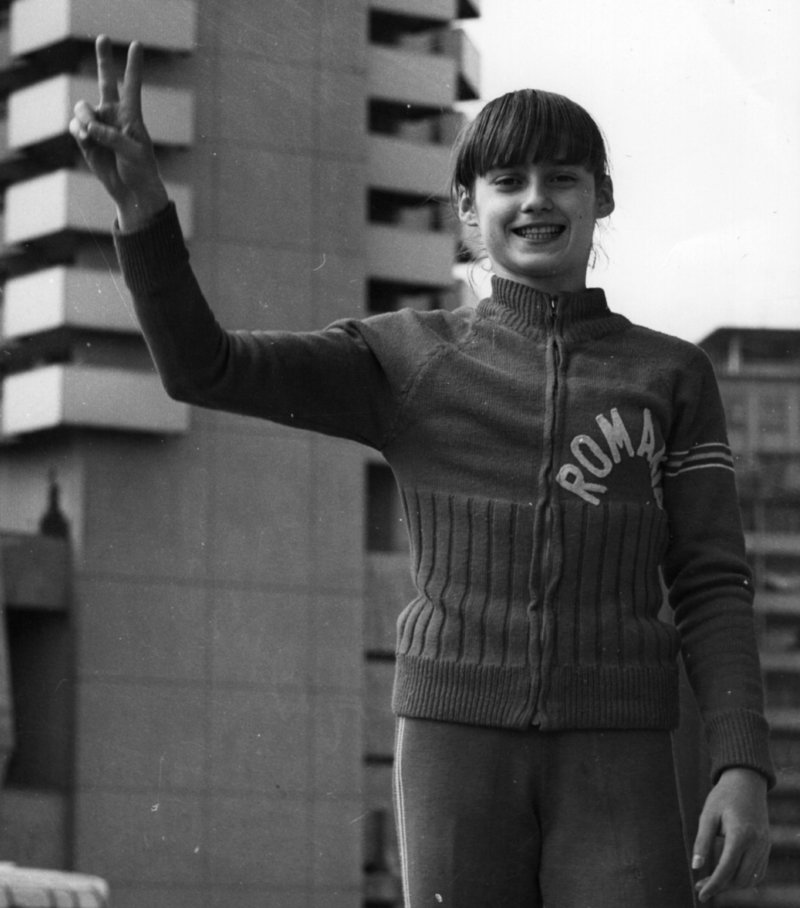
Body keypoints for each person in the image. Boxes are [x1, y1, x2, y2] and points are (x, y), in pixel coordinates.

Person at [71, 35, 774, 908]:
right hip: (455, 743)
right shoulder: (410, 357)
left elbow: (710, 582)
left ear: (603, 197)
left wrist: (740, 762)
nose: (535, 201)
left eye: (562, 177)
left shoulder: (670, 376)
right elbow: (202, 367)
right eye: (507, 182)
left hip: (622, 749)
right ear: (469, 213)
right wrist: (144, 211)